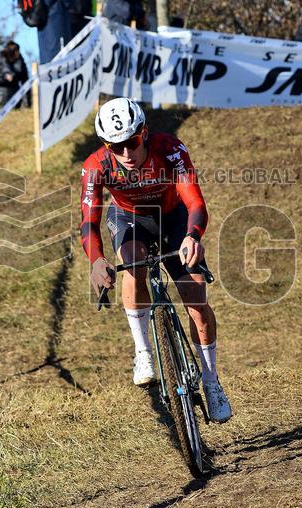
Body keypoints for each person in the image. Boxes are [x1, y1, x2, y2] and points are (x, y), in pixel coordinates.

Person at [78, 97, 232, 422]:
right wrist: (96, 260)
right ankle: (143, 351)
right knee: (132, 264)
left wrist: (193, 236)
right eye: (115, 147)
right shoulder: (96, 166)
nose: (126, 154)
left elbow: (195, 202)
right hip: (130, 219)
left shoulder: (170, 148)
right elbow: (88, 221)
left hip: (173, 218)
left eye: (132, 143)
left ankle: (211, 380)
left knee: (196, 299)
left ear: (144, 133)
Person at [0, 41, 30, 109]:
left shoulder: (21, 62)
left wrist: (28, 103)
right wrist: (4, 79)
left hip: (15, 96)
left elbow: (26, 82)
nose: (17, 53)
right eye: (15, 51)